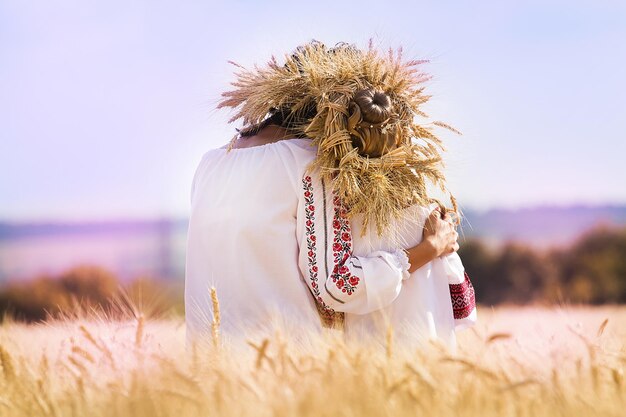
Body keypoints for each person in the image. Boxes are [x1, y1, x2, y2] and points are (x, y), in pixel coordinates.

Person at [184, 40, 476, 350]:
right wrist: (429, 248)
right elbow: (338, 285)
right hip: (283, 367)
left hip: (207, 365)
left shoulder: (210, 162)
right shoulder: (309, 164)